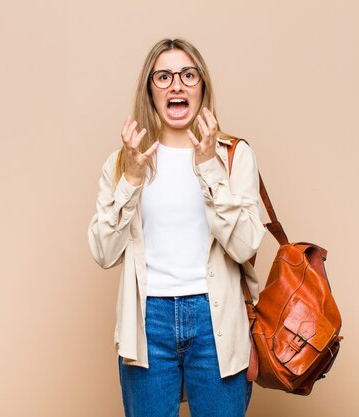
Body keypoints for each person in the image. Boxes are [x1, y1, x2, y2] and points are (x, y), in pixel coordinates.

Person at [87, 38, 266, 417]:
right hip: (148, 323)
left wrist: (207, 167)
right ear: (150, 90)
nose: (177, 85)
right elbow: (103, 253)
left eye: (188, 74)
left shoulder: (233, 156)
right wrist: (131, 181)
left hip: (215, 320)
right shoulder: (124, 162)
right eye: (164, 76)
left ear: (202, 85)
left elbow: (247, 245)